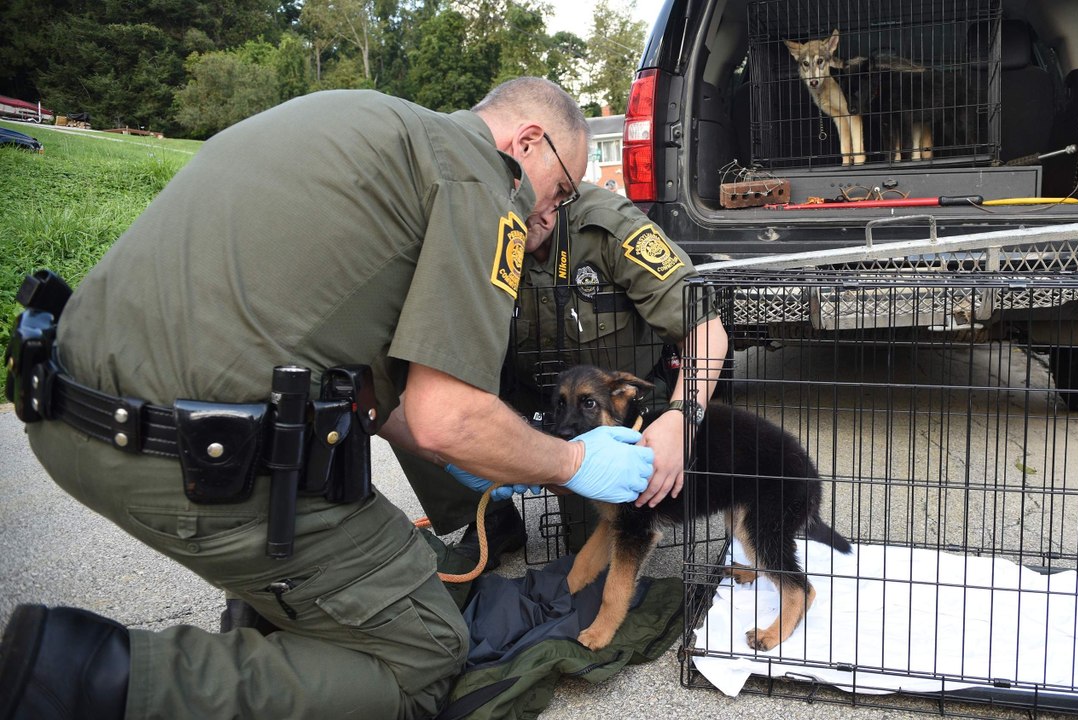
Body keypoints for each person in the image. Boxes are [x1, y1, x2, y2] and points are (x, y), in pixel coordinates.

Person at [0, 79, 655, 720]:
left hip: (57, 408)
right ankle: (92, 678)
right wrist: (571, 464)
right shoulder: (479, 181)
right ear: (528, 142)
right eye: (561, 188)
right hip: (192, 466)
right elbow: (446, 417)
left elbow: (379, 387)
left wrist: (495, 453)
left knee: (384, 555)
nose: (550, 216)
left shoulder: (352, 119)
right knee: (426, 651)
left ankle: (271, 615)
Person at [400, 180, 729, 570]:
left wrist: (682, 418)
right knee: (420, 403)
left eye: (549, 200)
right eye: (517, 203)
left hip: (612, 410)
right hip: (526, 403)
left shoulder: (609, 228)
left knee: (591, 549)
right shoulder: (468, 234)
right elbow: (430, 354)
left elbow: (706, 329)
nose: (537, 215)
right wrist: (483, 438)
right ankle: (491, 519)